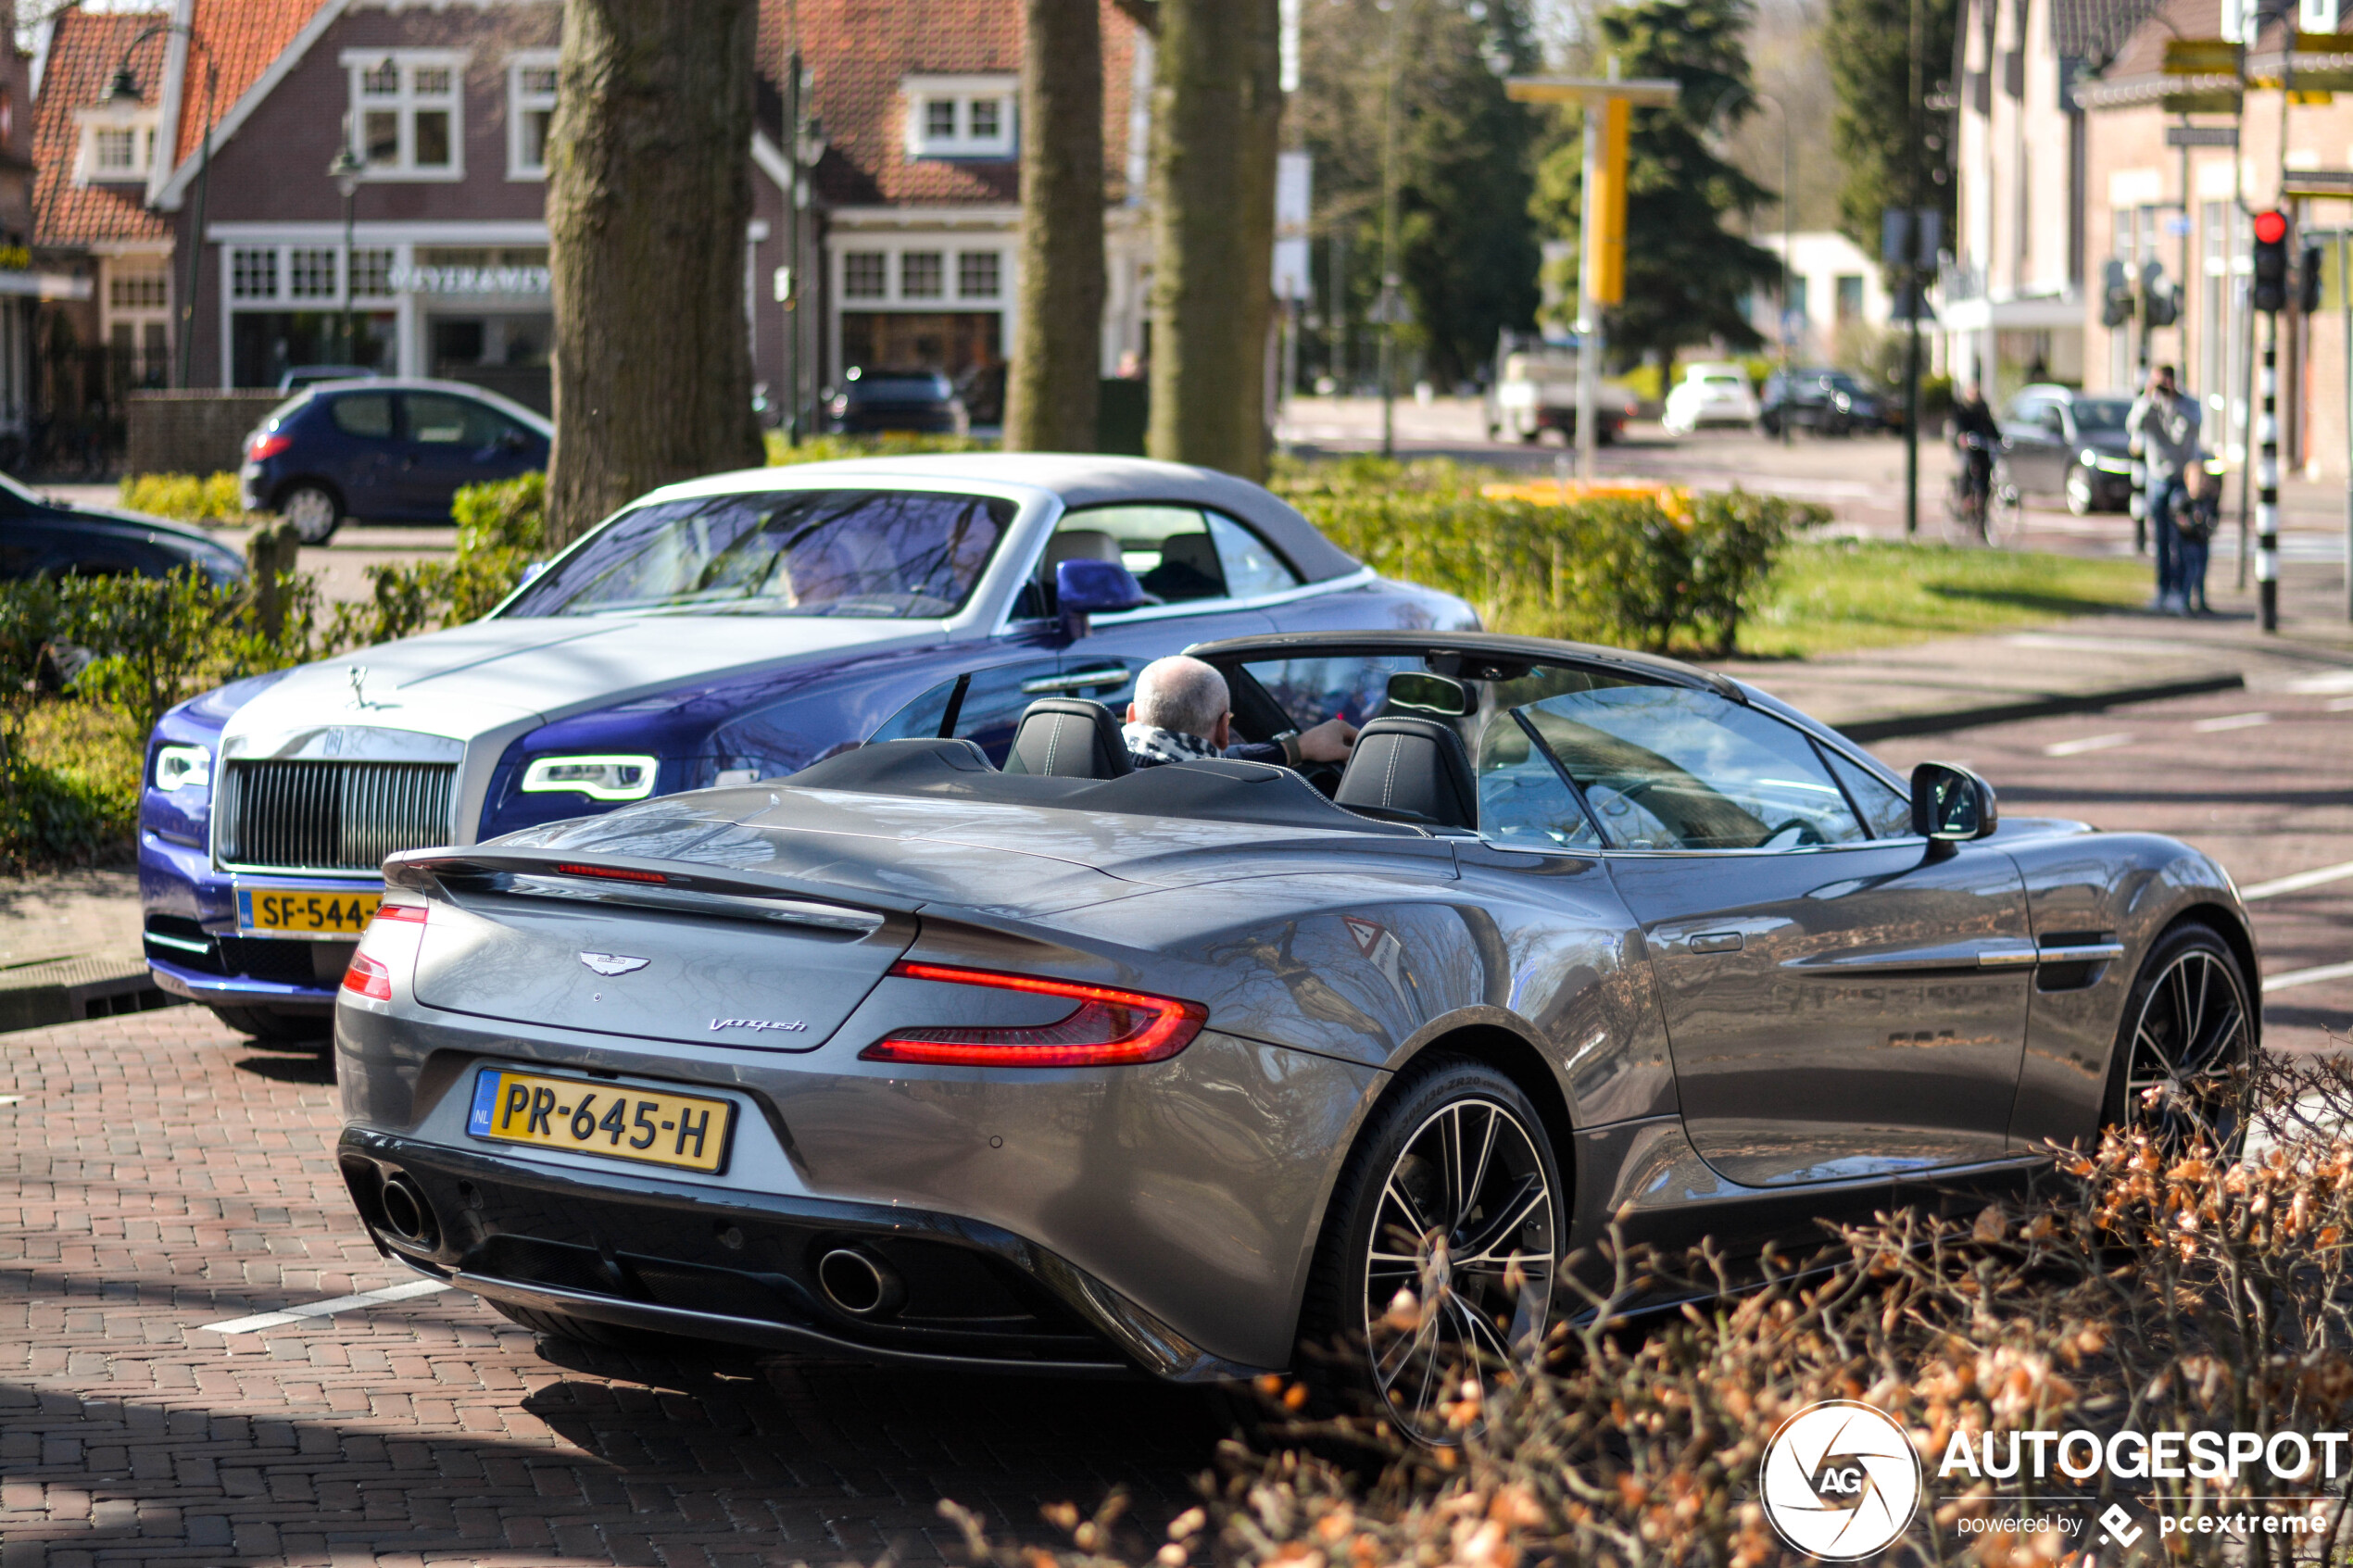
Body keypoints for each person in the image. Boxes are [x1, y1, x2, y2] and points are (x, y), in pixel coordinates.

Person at [1121, 655, 1357, 771]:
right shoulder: (1231, 796)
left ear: (1131, 716)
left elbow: (1217, 758)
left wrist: (1298, 747)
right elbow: (1216, 763)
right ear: (1224, 729)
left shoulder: (1096, 767)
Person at [2128, 364, 2200, 613]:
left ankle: (2180, 593)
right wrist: (2149, 397)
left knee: (2179, 538)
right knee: (2160, 539)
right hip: (2156, 478)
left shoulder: (2187, 404)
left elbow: (2190, 429)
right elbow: (2132, 425)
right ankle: (2162, 590)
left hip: (2180, 478)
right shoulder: (2148, 404)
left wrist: (2173, 402)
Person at [2171, 462, 2218, 616]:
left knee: (2201, 572)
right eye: (2198, 480)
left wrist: (2209, 526)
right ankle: (2184, 601)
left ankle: (2201, 601)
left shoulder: (2208, 501)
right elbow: (2177, 517)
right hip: (2188, 542)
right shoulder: (2183, 499)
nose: (2201, 485)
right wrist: (2189, 522)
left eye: (2204, 481)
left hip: (2202, 541)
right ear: (2187, 480)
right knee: (2190, 571)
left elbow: (2213, 517)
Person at [1950, 383, 2001, 511]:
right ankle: (1965, 497)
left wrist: (1999, 439)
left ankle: (1981, 508)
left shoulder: (1982, 408)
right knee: (1966, 467)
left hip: (1981, 447)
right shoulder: (1961, 409)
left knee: (1986, 471)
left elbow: (1990, 426)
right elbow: (1958, 427)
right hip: (1966, 448)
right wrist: (1961, 437)